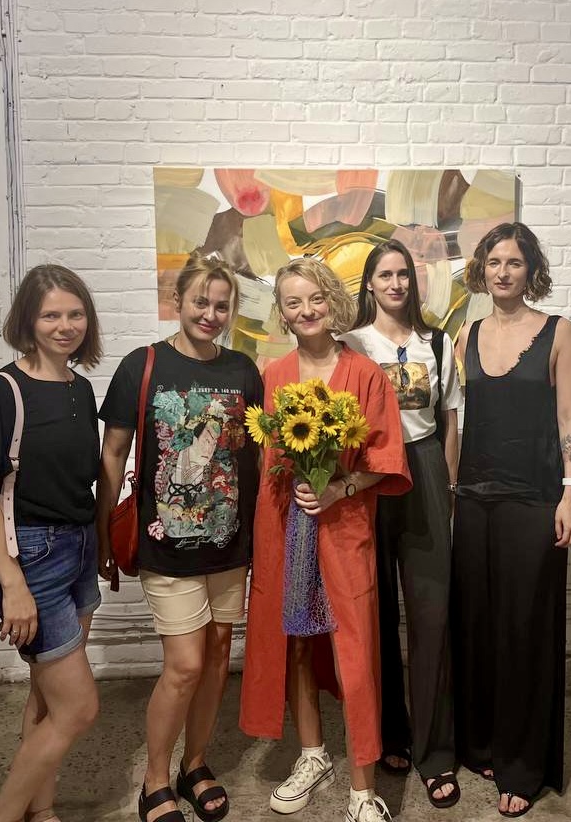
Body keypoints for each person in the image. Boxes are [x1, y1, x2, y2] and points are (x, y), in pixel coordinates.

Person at [239, 257, 411, 822]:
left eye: (315, 298)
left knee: (353, 652)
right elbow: (268, 459)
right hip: (286, 528)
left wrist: (340, 486)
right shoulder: (274, 374)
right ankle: (312, 754)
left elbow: (385, 459)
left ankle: (363, 785)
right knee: (295, 643)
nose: (307, 310)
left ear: (332, 302)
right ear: (283, 313)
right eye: (294, 302)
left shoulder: (365, 375)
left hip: (343, 530)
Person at [97, 252, 262, 822]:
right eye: (200, 302)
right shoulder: (141, 366)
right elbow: (113, 455)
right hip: (166, 544)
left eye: (221, 306)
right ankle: (154, 780)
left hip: (230, 543)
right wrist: (102, 532)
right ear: (178, 302)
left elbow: (254, 455)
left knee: (217, 657)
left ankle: (195, 764)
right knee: (185, 664)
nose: (210, 314)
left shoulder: (243, 371)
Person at [0, 264, 103, 822]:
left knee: (48, 696)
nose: (65, 325)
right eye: (51, 315)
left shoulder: (80, 387)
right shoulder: (0, 392)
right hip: (32, 557)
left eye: (75, 314)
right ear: (28, 321)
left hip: (80, 548)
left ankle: (43, 810)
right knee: (78, 707)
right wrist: (11, 583)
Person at [451, 222, 571, 818]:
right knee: (478, 626)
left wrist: (570, 492)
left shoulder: (558, 332)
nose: (503, 272)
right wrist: (450, 494)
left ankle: (524, 763)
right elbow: (456, 421)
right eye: (495, 262)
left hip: (534, 499)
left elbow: (568, 418)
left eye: (515, 262)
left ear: (532, 271)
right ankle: (483, 744)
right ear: (482, 269)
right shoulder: (466, 334)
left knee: (525, 629)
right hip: (474, 500)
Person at [341, 239, 464, 809]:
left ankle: (435, 751)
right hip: (368, 474)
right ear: (368, 283)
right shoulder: (351, 344)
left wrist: (449, 485)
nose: (395, 284)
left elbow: (449, 419)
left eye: (403, 274)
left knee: (431, 612)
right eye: (385, 274)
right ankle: (390, 733)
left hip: (425, 468)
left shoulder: (436, 341)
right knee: (375, 613)